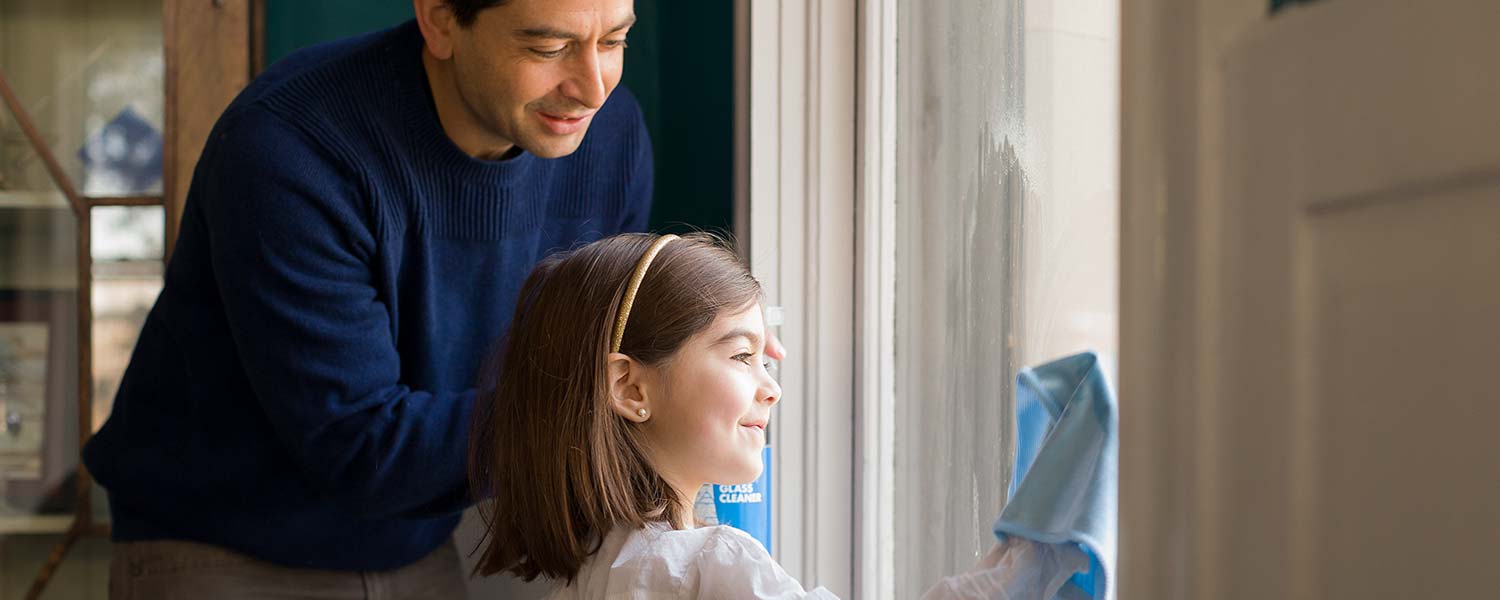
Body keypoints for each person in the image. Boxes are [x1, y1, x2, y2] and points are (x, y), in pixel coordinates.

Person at [82, 0, 684, 597]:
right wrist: (624, 395)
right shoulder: (291, 146)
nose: (592, 88)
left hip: (418, 543)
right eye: (547, 48)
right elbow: (360, 447)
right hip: (219, 546)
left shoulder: (609, 139)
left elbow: (596, 348)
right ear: (441, 19)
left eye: (613, 42)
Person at [468, 233, 1087, 599]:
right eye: (742, 355)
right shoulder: (710, 566)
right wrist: (1035, 558)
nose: (773, 389)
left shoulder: (592, 568)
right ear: (630, 387)